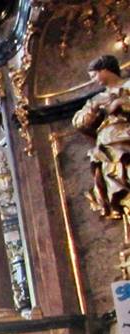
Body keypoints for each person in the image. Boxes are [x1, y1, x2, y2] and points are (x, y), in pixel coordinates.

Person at [74, 55, 130, 240]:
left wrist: (121, 104)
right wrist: (93, 110)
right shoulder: (98, 98)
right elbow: (79, 122)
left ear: (105, 70)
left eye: (94, 75)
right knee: (118, 190)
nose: (93, 80)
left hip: (126, 140)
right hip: (108, 149)